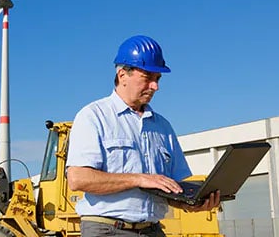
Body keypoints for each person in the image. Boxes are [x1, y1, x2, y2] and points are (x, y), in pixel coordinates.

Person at [66, 35, 220, 237]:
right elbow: (79, 179)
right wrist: (139, 179)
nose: (155, 86)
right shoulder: (93, 116)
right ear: (122, 75)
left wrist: (193, 202)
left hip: (152, 230)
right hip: (107, 230)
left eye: (157, 79)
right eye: (147, 77)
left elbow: (174, 187)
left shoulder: (162, 127)